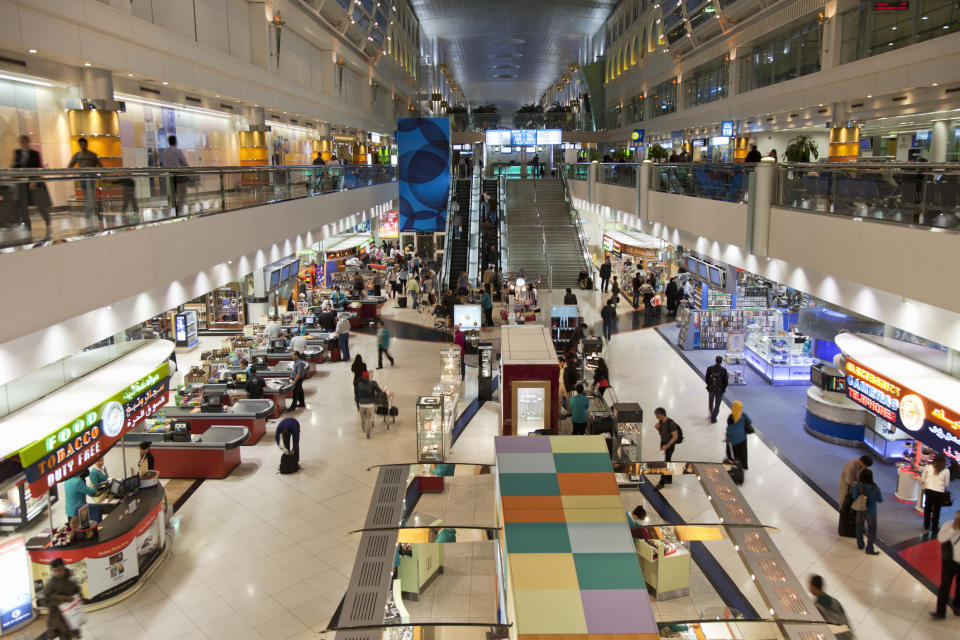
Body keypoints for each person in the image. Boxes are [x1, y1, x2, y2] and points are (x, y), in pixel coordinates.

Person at [12, 134, 52, 239]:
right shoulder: (17, 153)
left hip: (34, 184)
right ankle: (27, 229)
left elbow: (38, 168)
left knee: (41, 205)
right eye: (22, 142)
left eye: (25, 142)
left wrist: (34, 180)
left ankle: (48, 223)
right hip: (22, 184)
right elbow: (14, 166)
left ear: (28, 142)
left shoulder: (35, 154)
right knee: (24, 207)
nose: (23, 144)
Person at [43, 558, 82, 639]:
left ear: (64, 567)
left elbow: (78, 593)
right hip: (57, 617)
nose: (58, 573)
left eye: (60, 570)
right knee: (60, 635)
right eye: (55, 571)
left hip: (70, 616)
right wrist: (63, 599)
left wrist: (78, 598)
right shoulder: (51, 584)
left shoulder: (71, 580)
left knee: (68, 635)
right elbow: (46, 600)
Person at [67, 136, 103, 226]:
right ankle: (91, 214)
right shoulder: (77, 155)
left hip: (91, 178)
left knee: (90, 197)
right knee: (88, 197)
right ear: (79, 145)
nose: (83, 146)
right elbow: (70, 165)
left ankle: (89, 215)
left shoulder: (92, 155)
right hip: (83, 179)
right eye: (81, 145)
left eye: (84, 144)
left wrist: (100, 173)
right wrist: (68, 173)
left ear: (87, 144)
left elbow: (100, 165)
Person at [932, 510, 960, 619]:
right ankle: (940, 611)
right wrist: (953, 528)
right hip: (949, 562)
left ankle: (957, 606)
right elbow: (941, 538)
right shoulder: (948, 525)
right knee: (945, 586)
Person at [808, 575, 854, 640]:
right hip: (848, 635)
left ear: (813, 587)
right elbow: (845, 619)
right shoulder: (835, 601)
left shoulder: (816, 607)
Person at [850, 468, 882, 555]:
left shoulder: (858, 486)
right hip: (872, 511)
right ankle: (869, 548)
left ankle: (860, 544)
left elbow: (853, 497)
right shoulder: (875, 487)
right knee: (872, 530)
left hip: (861, 510)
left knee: (859, 527)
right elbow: (880, 499)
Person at [161, 134, 190, 215]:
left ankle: (173, 210)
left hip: (169, 175)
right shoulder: (177, 151)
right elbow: (184, 163)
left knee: (172, 193)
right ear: (175, 142)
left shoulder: (164, 151)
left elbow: (164, 163)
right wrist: (190, 170)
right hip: (178, 175)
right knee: (182, 192)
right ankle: (180, 209)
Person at [922, 455, 951, 533]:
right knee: (936, 510)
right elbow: (946, 485)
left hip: (929, 490)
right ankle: (934, 527)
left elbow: (923, 479)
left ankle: (926, 525)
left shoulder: (928, 467)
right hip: (939, 493)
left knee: (927, 509)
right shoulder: (946, 470)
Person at [653, 408, 680, 490]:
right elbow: (657, 426)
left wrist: (667, 445)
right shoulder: (662, 422)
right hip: (663, 443)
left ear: (662, 414)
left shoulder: (671, 423)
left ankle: (662, 482)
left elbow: (675, 436)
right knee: (667, 460)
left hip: (669, 445)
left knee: (664, 462)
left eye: (657, 415)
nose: (656, 417)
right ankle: (668, 478)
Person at [725, 401, 751, 471]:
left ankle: (733, 465)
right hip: (742, 439)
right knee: (743, 453)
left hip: (733, 440)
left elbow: (729, 430)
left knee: (732, 453)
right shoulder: (743, 415)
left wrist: (727, 437)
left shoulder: (731, 417)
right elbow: (750, 421)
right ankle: (744, 466)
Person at [356, 371, 383, 438]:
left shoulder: (359, 384)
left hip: (361, 404)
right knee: (369, 419)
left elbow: (357, 394)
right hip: (369, 405)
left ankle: (363, 428)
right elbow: (380, 391)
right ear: (368, 377)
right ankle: (368, 432)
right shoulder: (372, 384)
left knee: (362, 417)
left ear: (362, 377)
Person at [706, 355, 729, 423]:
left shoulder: (710, 368)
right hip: (720, 390)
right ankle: (714, 417)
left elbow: (707, 378)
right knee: (717, 404)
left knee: (711, 402)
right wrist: (723, 388)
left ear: (715, 360)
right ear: (721, 362)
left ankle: (711, 414)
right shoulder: (724, 370)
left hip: (711, 389)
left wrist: (709, 385)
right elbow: (726, 381)